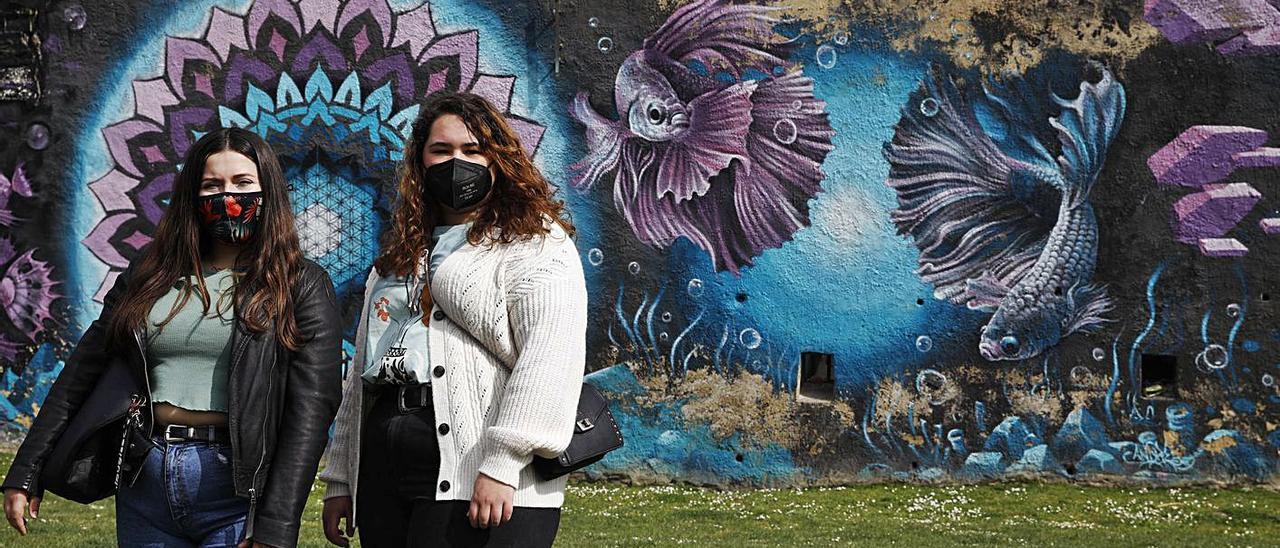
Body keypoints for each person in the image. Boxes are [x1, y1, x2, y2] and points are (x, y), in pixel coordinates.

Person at [2, 128, 344, 548]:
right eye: (211, 186)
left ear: (267, 191)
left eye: (242, 184)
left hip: (236, 492)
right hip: (146, 480)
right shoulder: (151, 271)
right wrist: (26, 469)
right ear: (191, 198)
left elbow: (311, 409)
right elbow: (83, 369)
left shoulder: (301, 283)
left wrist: (276, 524)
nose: (227, 197)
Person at [319, 92, 587, 548]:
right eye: (441, 151)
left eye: (472, 150)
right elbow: (364, 372)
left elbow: (549, 360)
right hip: (385, 470)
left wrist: (503, 463)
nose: (456, 162)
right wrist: (342, 478)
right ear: (420, 162)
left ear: (498, 160)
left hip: (478, 472)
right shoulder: (399, 255)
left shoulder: (535, 244)